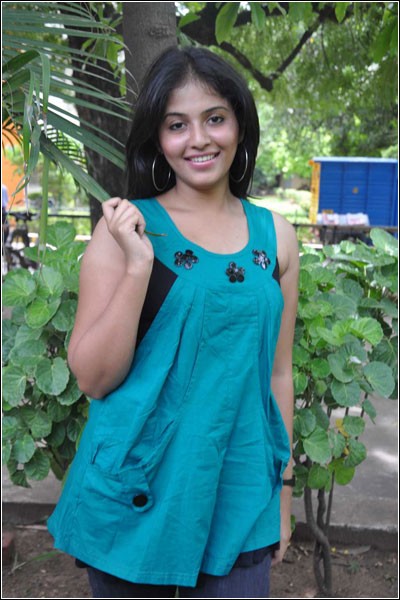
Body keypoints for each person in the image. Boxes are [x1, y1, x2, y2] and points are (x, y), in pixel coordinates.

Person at [47, 45, 299, 599]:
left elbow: (278, 374)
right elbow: (93, 378)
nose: (199, 139)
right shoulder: (128, 230)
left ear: (239, 124)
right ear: (158, 138)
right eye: (177, 124)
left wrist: (283, 493)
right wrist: (139, 266)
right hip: (135, 485)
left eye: (215, 118)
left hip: (240, 488)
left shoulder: (276, 237)